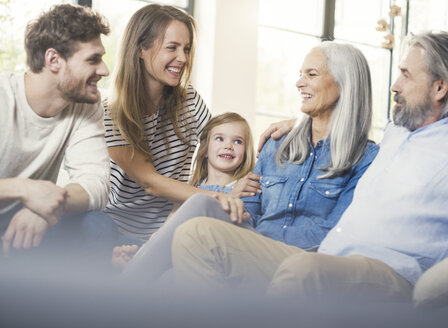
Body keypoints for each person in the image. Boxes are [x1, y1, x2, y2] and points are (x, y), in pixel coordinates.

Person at [171, 31, 448, 303]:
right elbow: (341, 123)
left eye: (406, 75)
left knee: (304, 272)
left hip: (390, 272)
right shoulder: (398, 134)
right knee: (195, 234)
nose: (394, 86)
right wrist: (301, 124)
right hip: (326, 259)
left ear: (440, 88)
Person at [120, 41, 379, 283]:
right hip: (254, 240)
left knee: (193, 242)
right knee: (200, 206)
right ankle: (130, 281)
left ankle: (119, 293)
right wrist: (236, 208)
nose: (299, 83)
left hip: (303, 256)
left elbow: (335, 232)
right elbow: (251, 209)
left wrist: (265, 237)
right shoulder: (279, 143)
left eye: (311, 74)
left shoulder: (366, 158)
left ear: (344, 83)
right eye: (301, 74)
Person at [103, 4, 246, 243]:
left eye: (187, 49)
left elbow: (222, 141)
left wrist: (291, 128)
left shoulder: (188, 100)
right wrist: (221, 196)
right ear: (141, 49)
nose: (183, 58)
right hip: (116, 231)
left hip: (172, 226)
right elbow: (151, 183)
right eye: (172, 48)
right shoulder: (110, 114)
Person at [0, 4, 117, 265]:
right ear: (53, 60)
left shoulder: (86, 105)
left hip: (24, 222)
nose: (104, 70)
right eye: (93, 59)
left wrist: (47, 206)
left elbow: (96, 184)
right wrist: (25, 190)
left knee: (98, 226)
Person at [112, 112, 256, 270]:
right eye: (219, 138)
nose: (228, 146)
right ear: (206, 150)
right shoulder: (189, 189)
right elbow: (166, 230)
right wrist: (145, 251)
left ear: (245, 153)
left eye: (237, 141)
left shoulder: (243, 188)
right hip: (176, 251)